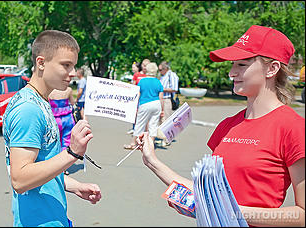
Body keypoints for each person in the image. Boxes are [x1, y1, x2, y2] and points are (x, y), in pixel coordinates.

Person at [136, 25, 305, 227]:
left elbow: (301, 215)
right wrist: (152, 161)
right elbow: (207, 194)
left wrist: (231, 212)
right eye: (232, 65)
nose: (232, 73)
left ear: (272, 68)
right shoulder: (227, 126)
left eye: (242, 65)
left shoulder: (293, 127)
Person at [2, 30, 101, 227]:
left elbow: (43, 165)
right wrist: (72, 153)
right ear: (41, 63)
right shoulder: (28, 109)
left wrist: (74, 186)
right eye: (66, 65)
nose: (72, 73)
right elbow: (20, 180)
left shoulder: (39, 101)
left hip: (52, 217)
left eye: (73, 65)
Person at [124, 62, 164, 150]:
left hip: (145, 103)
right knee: (153, 125)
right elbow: (161, 97)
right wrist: (162, 109)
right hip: (156, 103)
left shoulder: (142, 81)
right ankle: (151, 144)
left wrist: (135, 106)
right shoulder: (158, 82)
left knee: (140, 124)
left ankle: (133, 143)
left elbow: (138, 94)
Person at [48, 69, 76, 175]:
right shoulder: (68, 90)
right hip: (67, 118)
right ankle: (63, 167)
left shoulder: (51, 91)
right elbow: (72, 103)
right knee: (66, 142)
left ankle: (55, 165)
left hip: (54, 119)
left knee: (55, 142)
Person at [158, 61, 179, 146]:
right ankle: (162, 138)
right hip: (161, 99)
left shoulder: (172, 75)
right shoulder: (162, 76)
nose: (159, 71)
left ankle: (167, 139)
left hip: (167, 99)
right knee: (161, 119)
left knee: (166, 119)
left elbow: (174, 88)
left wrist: (161, 89)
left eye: (160, 70)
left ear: (165, 69)